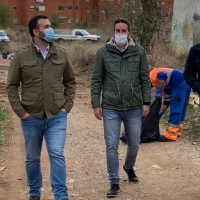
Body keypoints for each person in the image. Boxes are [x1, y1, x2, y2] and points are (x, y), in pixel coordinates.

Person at [6, 15, 76, 200]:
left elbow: (70, 81)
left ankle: (61, 195)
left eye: (50, 25)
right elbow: (11, 86)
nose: (51, 29)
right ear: (36, 32)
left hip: (57, 115)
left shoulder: (61, 54)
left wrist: (67, 106)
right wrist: (21, 112)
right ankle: (34, 193)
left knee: (56, 154)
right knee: (32, 158)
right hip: (32, 117)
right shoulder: (21, 56)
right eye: (46, 26)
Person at [91, 18, 151, 198]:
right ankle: (114, 181)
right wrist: (96, 104)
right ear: (113, 32)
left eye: (124, 30)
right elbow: (96, 80)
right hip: (111, 107)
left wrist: (146, 102)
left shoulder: (138, 51)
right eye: (118, 30)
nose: (120, 33)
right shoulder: (103, 53)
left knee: (134, 144)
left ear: (129, 33)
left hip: (133, 106)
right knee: (111, 145)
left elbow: (144, 79)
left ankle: (128, 166)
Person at [150, 67, 191, 142]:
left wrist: (158, 90)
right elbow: (166, 101)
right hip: (186, 82)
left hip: (178, 83)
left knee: (176, 108)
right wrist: (159, 113)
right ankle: (177, 131)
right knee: (181, 108)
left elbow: (162, 75)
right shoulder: (166, 84)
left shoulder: (152, 74)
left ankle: (170, 135)